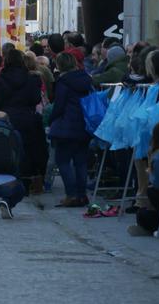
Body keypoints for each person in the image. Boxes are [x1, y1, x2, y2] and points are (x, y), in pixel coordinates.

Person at [0, 49, 45, 194]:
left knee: (7, 150)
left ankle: (7, 181)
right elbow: (36, 98)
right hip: (26, 118)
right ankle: (25, 183)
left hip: (7, 118)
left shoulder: (2, 79)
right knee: (26, 150)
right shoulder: (30, 78)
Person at [49, 52, 93, 207]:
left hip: (66, 126)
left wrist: (51, 119)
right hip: (84, 125)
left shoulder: (63, 81)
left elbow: (59, 105)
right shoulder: (86, 79)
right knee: (81, 162)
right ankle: (82, 195)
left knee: (62, 161)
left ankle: (72, 194)